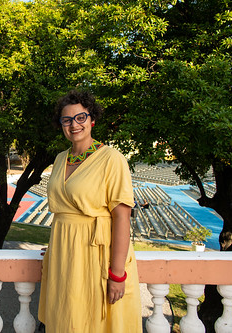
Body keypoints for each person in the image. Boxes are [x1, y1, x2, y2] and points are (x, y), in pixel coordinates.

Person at [38, 90, 142, 332]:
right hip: (65, 254)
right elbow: (64, 211)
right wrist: (58, 243)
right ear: (61, 125)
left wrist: (117, 274)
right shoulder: (60, 158)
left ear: (92, 119)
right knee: (67, 318)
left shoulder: (111, 159)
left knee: (95, 321)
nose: (74, 125)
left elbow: (122, 217)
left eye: (81, 117)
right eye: (67, 120)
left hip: (96, 254)